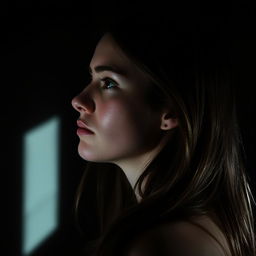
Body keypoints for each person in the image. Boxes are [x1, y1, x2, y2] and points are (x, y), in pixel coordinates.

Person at [71, 15, 256, 256]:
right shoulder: (221, 223)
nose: (79, 101)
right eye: (91, 78)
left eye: (109, 83)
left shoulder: (153, 245)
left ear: (170, 112)